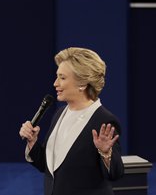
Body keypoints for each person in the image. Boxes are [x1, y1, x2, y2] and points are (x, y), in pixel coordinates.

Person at [19, 47, 124, 195]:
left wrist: (105, 152)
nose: (55, 83)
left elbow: (115, 174)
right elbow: (47, 166)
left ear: (82, 83)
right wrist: (32, 143)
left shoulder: (104, 120)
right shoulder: (59, 113)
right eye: (57, 77)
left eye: (62, 78)